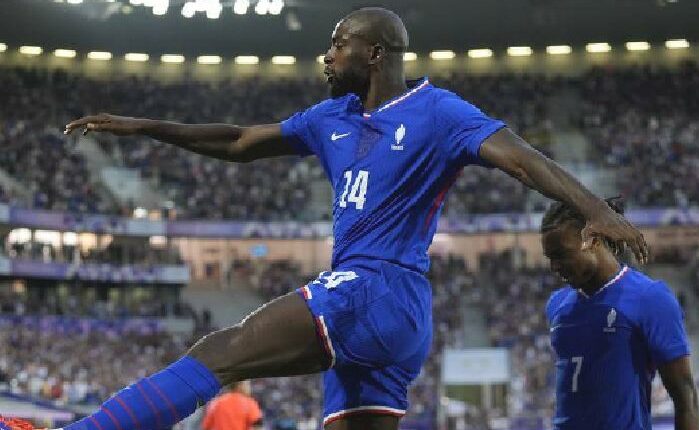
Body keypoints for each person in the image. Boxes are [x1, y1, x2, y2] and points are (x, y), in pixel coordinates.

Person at [55, 7, 649, 430]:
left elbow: (521, 158)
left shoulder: (438, 111)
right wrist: (145, 127)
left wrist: (596, 210)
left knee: (220, 352)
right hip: (385, 317)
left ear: (375, 53)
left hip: (375, 288)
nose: (328, 55)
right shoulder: (330, 117)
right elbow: (239, 140)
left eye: (339, 44)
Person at [542, 198, 699, 430]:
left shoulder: (650, 298)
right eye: (550, 258)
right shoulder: (556, 304)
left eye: (562, 254)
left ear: (593, 239)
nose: (554, 267)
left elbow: (686, 397)